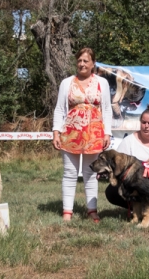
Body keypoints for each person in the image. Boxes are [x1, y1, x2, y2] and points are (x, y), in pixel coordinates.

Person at [52, 47, 112, 223]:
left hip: (94, 133)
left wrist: (107, 133)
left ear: (93, 63)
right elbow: (59, 109)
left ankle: (92, 210)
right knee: (70, 172)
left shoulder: (102, 83)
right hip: (70, 133)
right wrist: (56, 132)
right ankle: (67, 212)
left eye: (86, 61)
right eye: (79, 60)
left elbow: (107, 109)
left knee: (91, 173)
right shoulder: (67, 82)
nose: (82, 64)